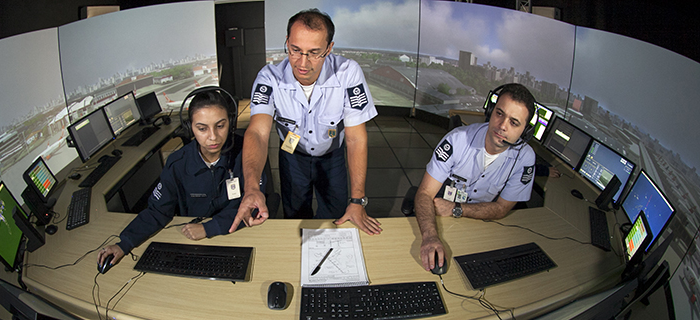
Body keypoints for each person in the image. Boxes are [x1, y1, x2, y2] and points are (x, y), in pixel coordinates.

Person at [229, 8, 382, 235]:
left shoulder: (348, 73)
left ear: (329, 49)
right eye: (295, 50)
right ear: (287, 42)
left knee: (336, 214)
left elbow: (356, 138)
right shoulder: (269, 77)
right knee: (294, 215)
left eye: (314, 52)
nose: (302, 63)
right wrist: (252, 188)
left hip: (332, 157)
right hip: (292, 155)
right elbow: (258, 133)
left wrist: (358, 200)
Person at [97, 89, 249, 268]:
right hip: (195, 243)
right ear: (189, 127)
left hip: (238, 234)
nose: (213, 136)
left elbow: (253, 205)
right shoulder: (177, 164)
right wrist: (124, 244)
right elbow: (158, 211)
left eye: (220, 126)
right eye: (202, 128)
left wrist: (209, 228)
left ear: (231, 123)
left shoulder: (248, 153)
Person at [415, 83, 537, 272]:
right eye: (499, 114)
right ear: (490, 111)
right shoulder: (457, 140)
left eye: (514, 123)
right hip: (440, 221)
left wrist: (456, 209)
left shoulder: (525, 158)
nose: (502, 126)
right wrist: (430, 236)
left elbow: (501, 209)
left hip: (479, 224)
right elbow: (424, 193)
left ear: (526, 131)